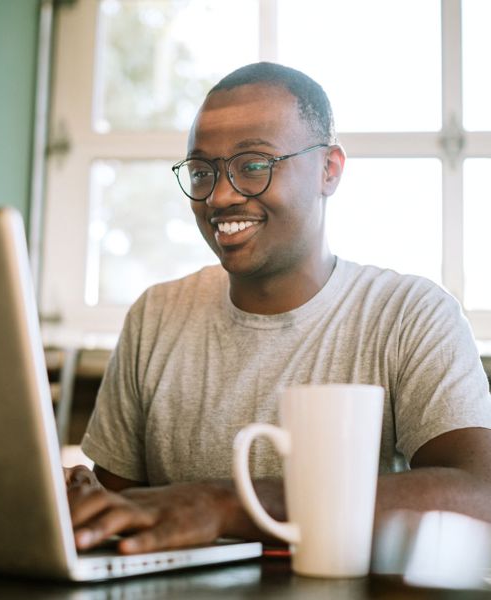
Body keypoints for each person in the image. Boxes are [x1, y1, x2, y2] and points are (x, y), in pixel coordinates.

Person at [66, 62, 491, 554]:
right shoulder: (156, 315)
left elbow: (478, 496)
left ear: (329, 170)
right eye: (202, 172)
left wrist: (225, 505)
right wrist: (83, 504)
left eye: (253, 165)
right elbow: (124, 517)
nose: (220, 196)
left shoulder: (409, 314)